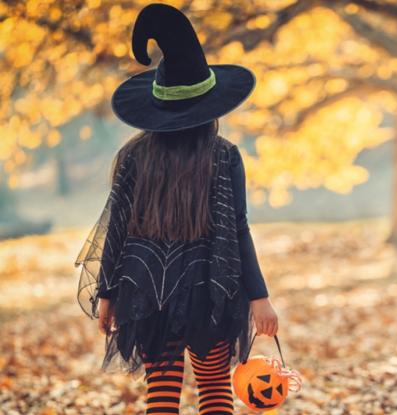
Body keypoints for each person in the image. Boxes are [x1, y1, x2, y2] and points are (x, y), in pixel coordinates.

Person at [74, 4, 278, 414]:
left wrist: (109, 293)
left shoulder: (134, 156)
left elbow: (119, 229)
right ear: (211, 107)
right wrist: (259, 297)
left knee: (162, 397)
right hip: (210, 289)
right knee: (216, 390)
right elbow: (239, 230)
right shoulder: (224, 156)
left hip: (145, 289)